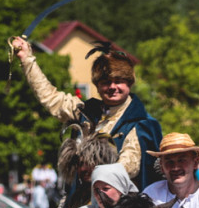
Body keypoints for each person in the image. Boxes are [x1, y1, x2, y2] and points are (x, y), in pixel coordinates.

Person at [9, 35, 162, 187]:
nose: (112, 87)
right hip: (81, 198)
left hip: (121, 203)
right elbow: (50, 98)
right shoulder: (86, 112)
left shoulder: (143, 124)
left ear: (129, 83)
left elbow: (129, 166)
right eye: (106, 82)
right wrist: (26, 59)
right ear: (97, 86)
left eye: (119, 81)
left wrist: (93, 172)